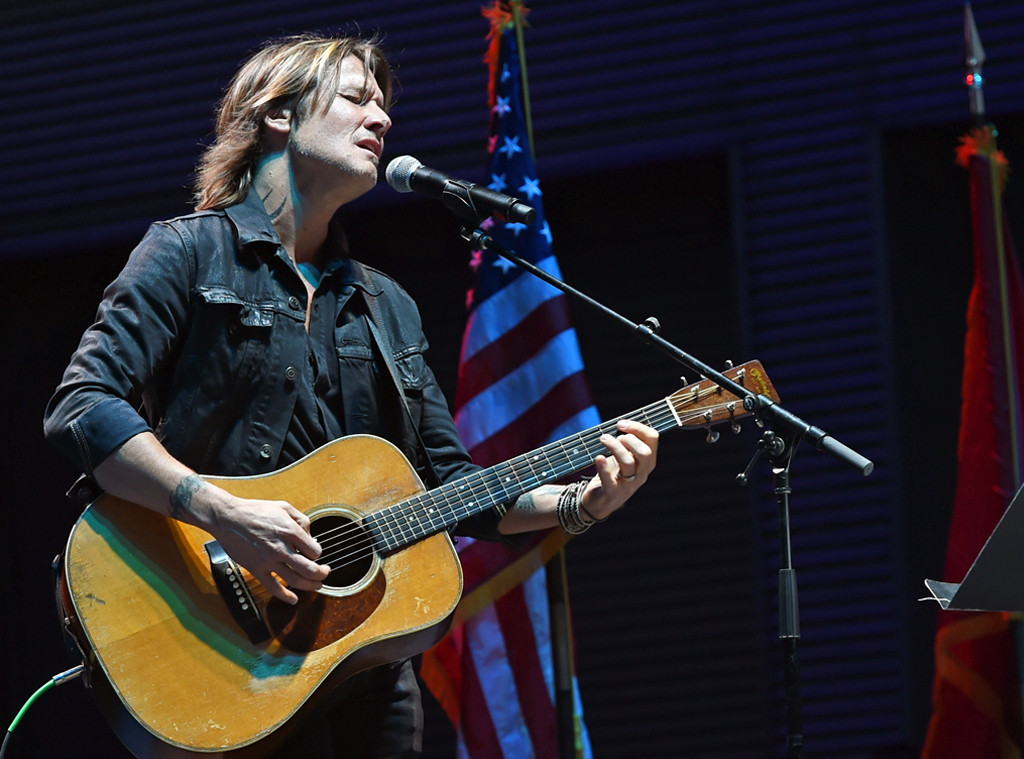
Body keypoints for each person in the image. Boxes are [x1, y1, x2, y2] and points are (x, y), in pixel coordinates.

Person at [43, 33, 658, 758]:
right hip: (217, 644)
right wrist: (223, 512)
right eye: (357, 98)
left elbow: (453, 487)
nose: (383, 118)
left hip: (363, 664)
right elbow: (82, 404)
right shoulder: (187, 252)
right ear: (279, 114)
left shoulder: (384, 305)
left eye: (384, 105)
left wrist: (583, 502)